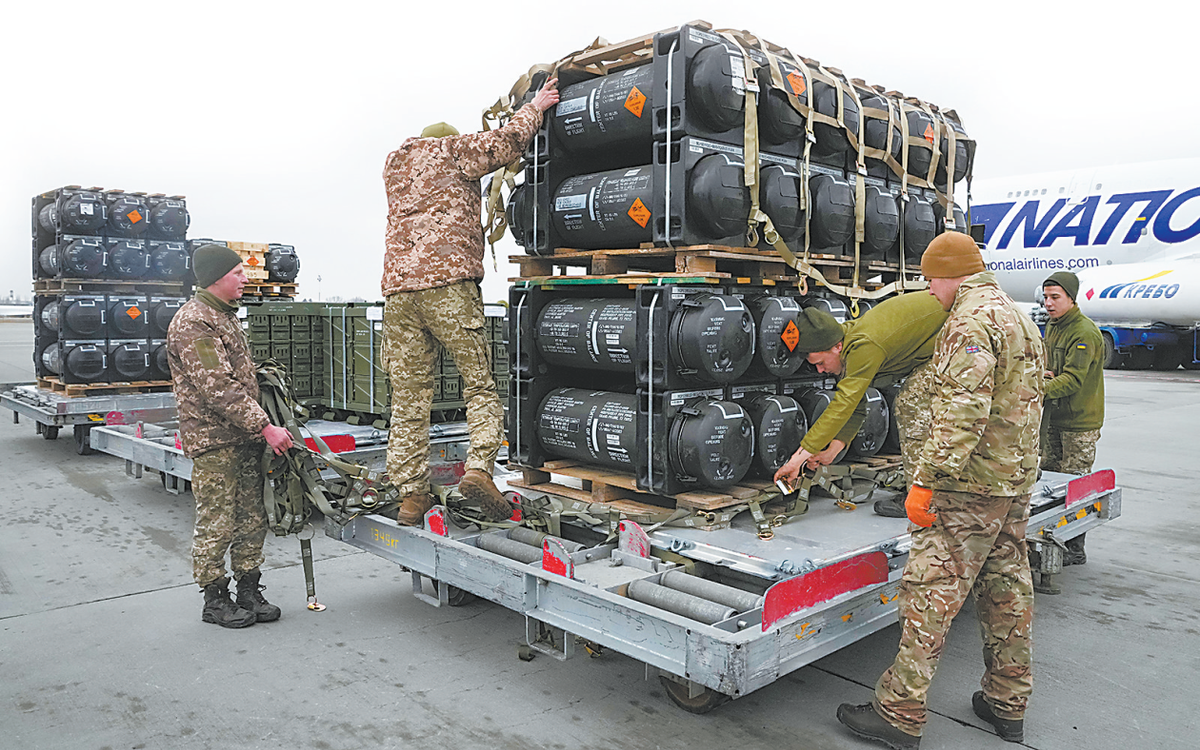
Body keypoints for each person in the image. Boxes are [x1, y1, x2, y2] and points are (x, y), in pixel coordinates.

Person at [835, 231, 1045, 749]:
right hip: (1011, 481)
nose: (930, 291)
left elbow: (960, 412)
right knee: (1007, 590)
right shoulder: (1020, 316)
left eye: (931, 280)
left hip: (967, 487)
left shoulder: (970, 320)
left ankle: (899, 712)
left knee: (930, 595)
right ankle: (1007, 701)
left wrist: (925, 480)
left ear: (951, 273)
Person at [381, 77, 560, 526]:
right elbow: (505, 142)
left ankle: (411, 496)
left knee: (408, 399)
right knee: (478, 384)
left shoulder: (395, 166)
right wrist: (535, 107)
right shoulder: (453, 152)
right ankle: (479, 470)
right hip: (448, 286)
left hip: (399, 293)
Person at [167, 244, 294, 628]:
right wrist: (265, 426)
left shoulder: (224, 317)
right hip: (216, 440)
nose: (245, 278)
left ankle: (249, 589)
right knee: (218, 520)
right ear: (216, 278)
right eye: (238, 273)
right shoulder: (194, 323)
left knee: (251, 517)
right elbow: (218, 386)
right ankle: (215, 598)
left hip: (242, 437)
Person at [773, 293, 948, 516]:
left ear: (836, 347)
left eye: (820, 363)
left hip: (962, 331)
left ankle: (923, 498)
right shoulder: (846, 345)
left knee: (910, 403)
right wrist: (831, 452)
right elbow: (856, 404)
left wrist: (798, 458)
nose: (820, 370)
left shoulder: (863, 346)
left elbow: (844, 404)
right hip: (938, 342)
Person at [1039, 270, 1105, 566]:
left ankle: (1074, 548)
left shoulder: (1084, 332)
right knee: (1050, 485)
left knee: (1075, 488)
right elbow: (1053, 369)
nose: (1048, 303)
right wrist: (1045, 376)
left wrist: (1036, 388)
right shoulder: (1053, 326)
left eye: (1055, 297)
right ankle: (1052, 539)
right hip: (1055, 417)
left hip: (1079, 423)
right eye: (1046, 297)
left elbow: (1073, 379)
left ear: (1071, 298)